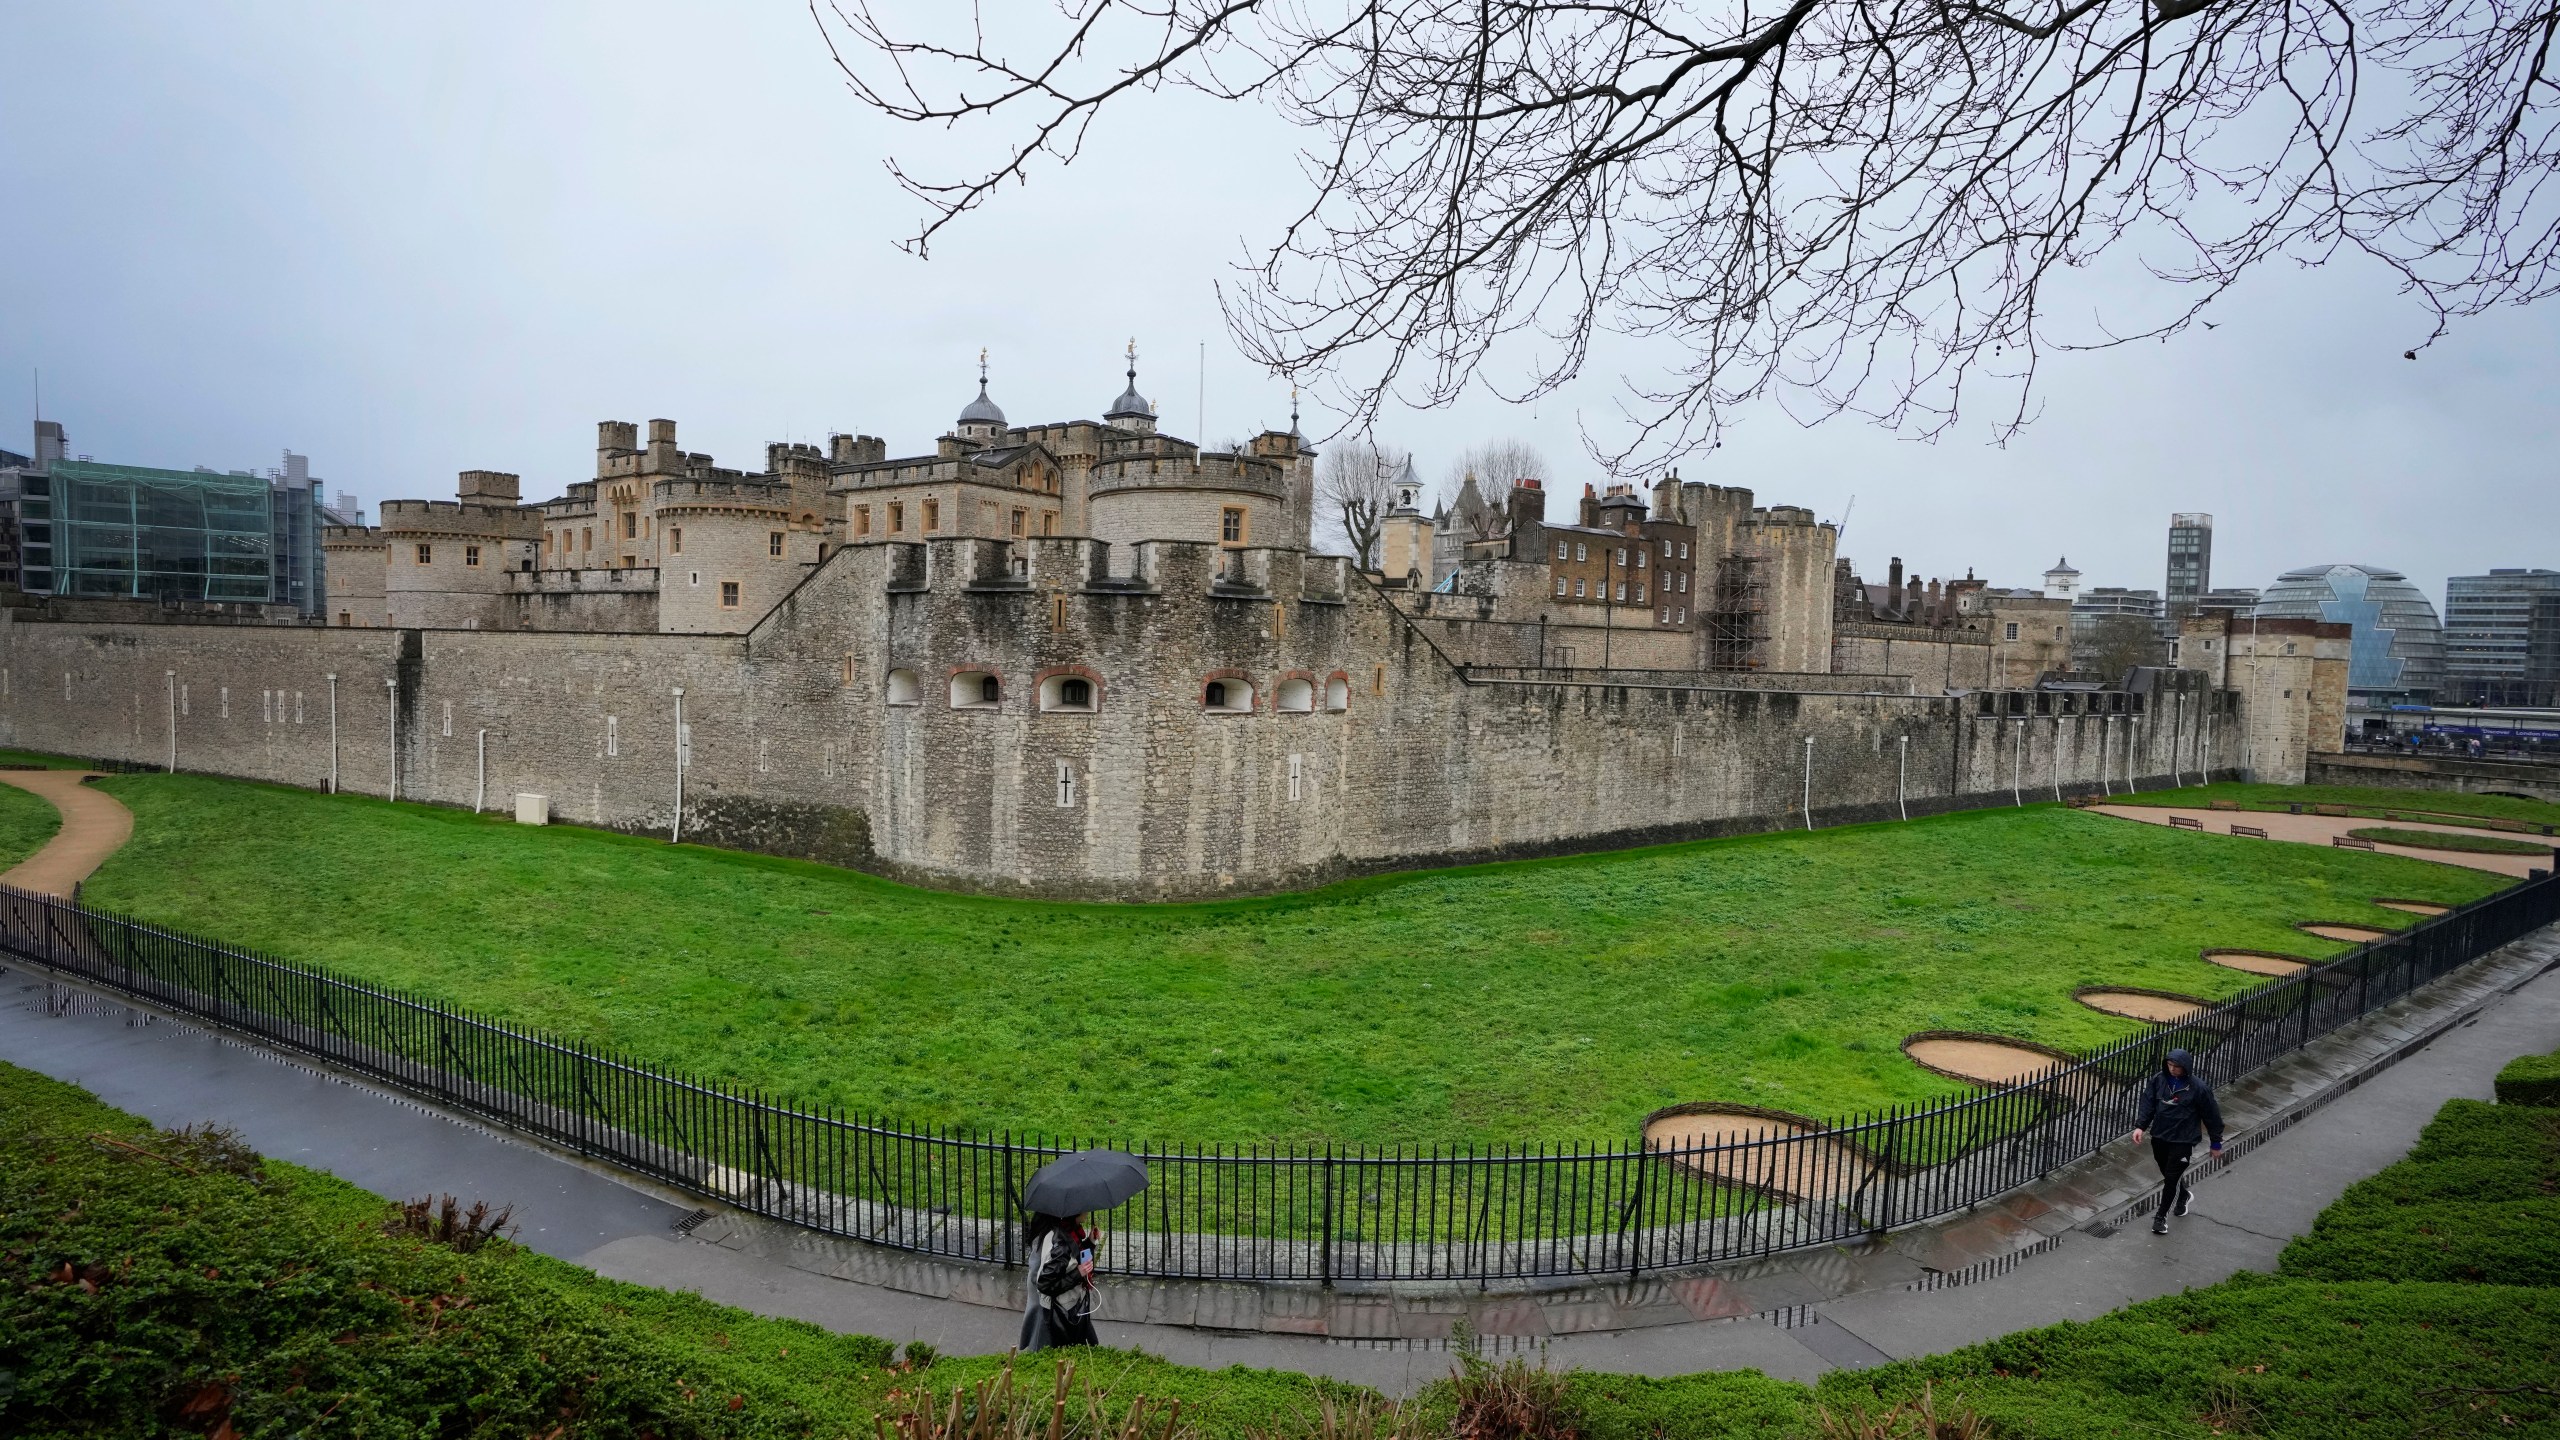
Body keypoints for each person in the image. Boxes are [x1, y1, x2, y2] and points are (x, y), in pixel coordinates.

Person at [2130, 1047, 2224, 1236]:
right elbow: (2148, 1102)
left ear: (2186, 1067)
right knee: (2168, 1173)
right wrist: (2141, 1126)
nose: (2172, 1069)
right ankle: (2183, 1195)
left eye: (2177, 1066)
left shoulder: (2199, 1088)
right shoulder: (2159, 1079)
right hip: (2160, 1135)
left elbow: (2212, 1116)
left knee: (2171, 1178)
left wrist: (2216, 1143)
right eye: (2170, 1065)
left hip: (2183, 1139)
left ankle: (2160, 1218)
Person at [1018, 1210, 1101, 1351]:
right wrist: (1078, 1273)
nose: (1087, 1211)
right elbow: (1045, 1284)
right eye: (1084, 1208)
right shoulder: (1061, 1243)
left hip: (1068, 1307)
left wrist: (1090, 1243)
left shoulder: (1069, 1233)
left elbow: (1073, 1257)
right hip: (1061, 1312)